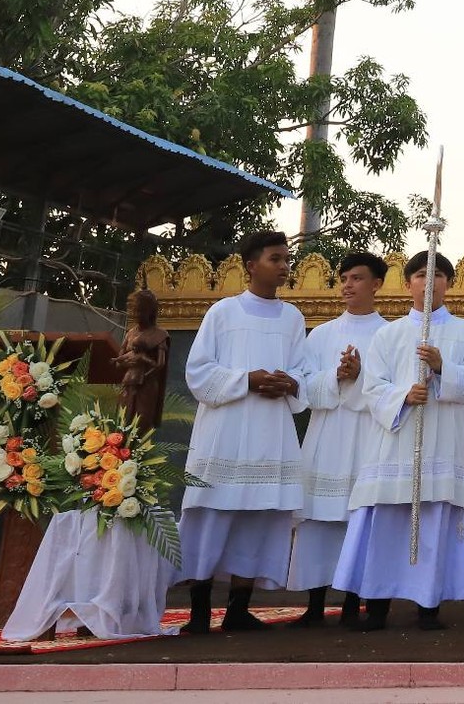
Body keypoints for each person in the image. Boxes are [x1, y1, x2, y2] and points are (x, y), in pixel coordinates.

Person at [335, 251, 464, 631]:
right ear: (408, 284)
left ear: (448, 284)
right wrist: (404, 396)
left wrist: (441, 368)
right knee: (386, 522)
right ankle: (378, 606)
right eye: (421, 275)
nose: (429, 281)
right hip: (397, 443)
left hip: (441, 442)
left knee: (432, 521)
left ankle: (428, 606)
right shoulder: (389, 334)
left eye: (438, 275)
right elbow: (373, 387)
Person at [176, 229, 306, 634]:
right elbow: (198, 371)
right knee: (213, 517)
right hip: (226, 431)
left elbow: (303, 370)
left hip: (271, 431)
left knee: (259, 518)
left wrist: (290, 383)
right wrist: (246, 379)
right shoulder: (223, 312)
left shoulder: (293, 318)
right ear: (251, 266)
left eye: (287, 259)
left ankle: (238, 609)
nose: (285, 265)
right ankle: (198, 612)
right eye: (276, 258)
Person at [287, 251, 389, 629]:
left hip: (368, 436)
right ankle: (314, 604)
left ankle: (353, 601)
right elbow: (304, 387)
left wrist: (361, 377)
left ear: (377, 284)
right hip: (327, 432)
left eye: (357, 278)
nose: (347, 285)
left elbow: (389, 391)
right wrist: (337, 375)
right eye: (344, 277)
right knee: (319, 520)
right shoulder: (323, 334)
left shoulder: (389, 335)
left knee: (358, 519)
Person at [115, 288, 170, 435]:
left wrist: (146, 373)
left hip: (146, 387)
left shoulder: (160, 335)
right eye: (134, 311)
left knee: (141, 424)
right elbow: (118, 362)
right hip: (128, 384)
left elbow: (160, 364)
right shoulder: (130, 334)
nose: (136, 315)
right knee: (122, 424)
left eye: (140, 311)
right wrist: (128, 362)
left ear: (150, 312)